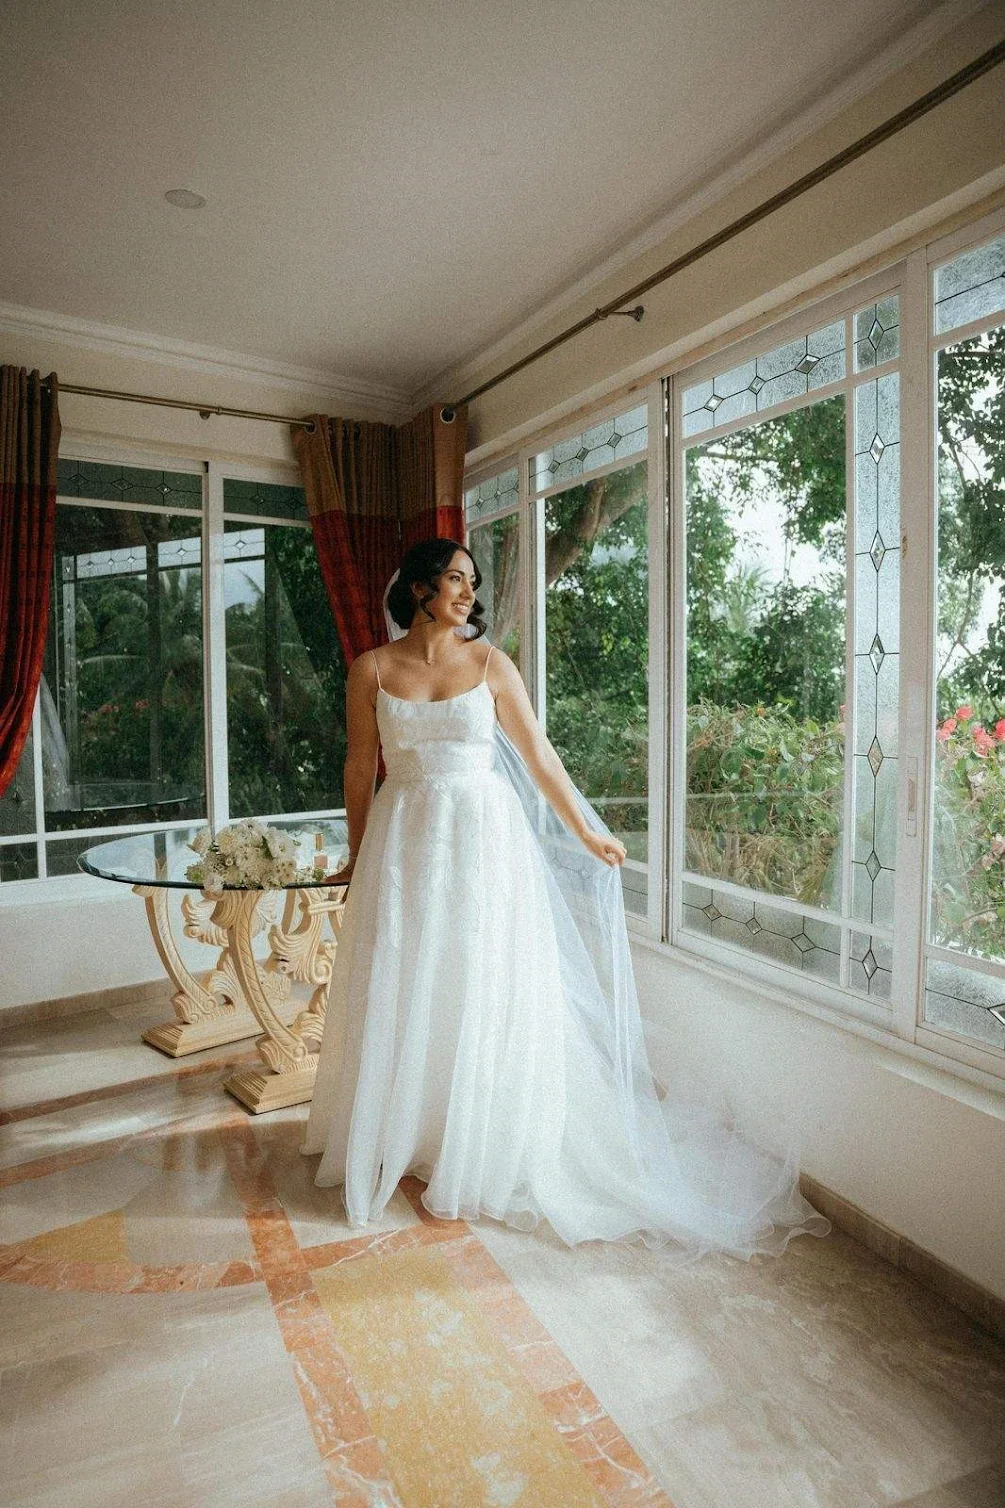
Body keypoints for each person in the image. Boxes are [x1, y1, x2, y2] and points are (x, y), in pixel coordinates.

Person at [302, 537, 830, 1259]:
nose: (469, 594)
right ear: (420, 588)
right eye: (456, 579)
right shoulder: (371, 668)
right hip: (405, 836)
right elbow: (360, 764)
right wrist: (358, 855)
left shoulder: (491, 664)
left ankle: (479, 1136)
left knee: (482, 976)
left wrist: (586, 830)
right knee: (407, 973)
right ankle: (410, 1128)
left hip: (484, 839)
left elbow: (538, 755)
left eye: (472, 583)